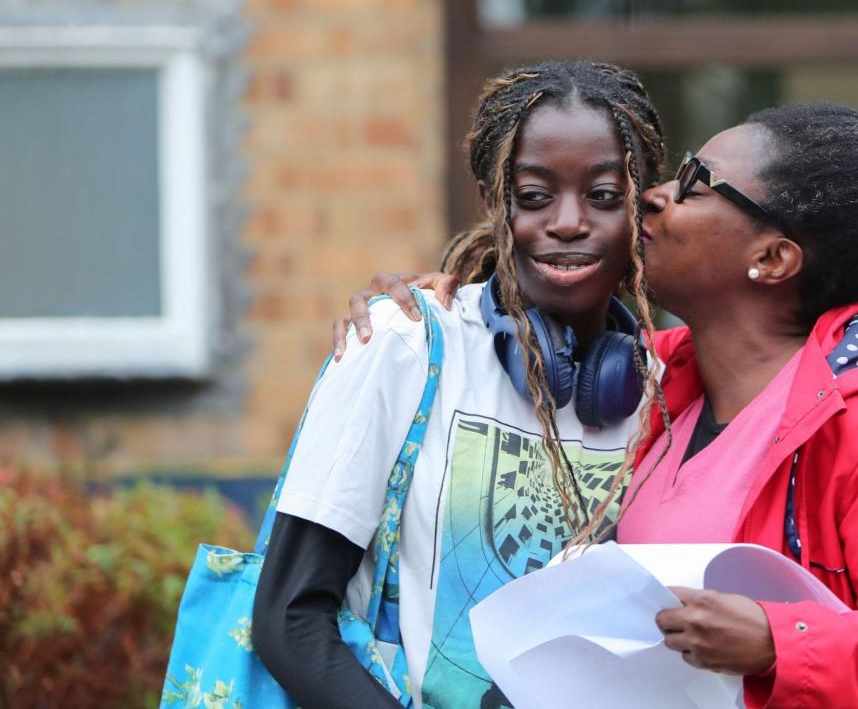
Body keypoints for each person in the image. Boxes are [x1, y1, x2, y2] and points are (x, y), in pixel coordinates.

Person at [337, 103, 858, 708]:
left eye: (694, 186)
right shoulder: (647, 381)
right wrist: (430, 313)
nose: (652, 197)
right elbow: (513, 338)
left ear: (773, 259)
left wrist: (780, 643)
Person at [251, 59, 667, 709]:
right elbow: (289, 618)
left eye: (604, 196)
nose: (566, 222)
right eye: (533, 196)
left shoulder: (665, 390)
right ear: (491, 201)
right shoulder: (406, 344)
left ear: (643, 209)